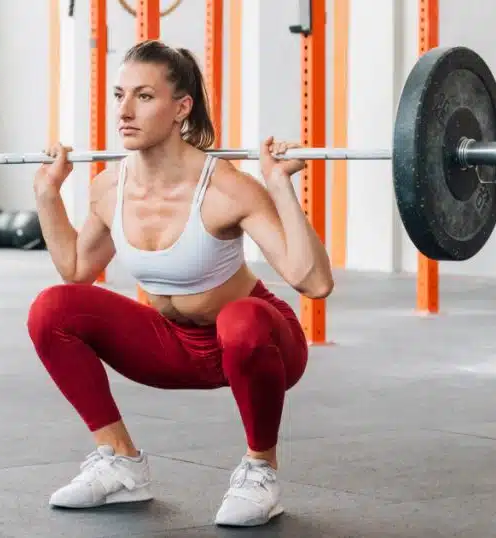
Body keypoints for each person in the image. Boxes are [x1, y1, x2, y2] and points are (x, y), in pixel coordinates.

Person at [26, 39, 333, 528]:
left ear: (181, 108)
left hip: (259, 343)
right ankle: (121, 461)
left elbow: (313, 282)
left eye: (144, 97)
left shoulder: (227, 186)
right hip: (173, 345)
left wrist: (280, 185)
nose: (124, 110)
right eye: (119, 95)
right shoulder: (109, 186)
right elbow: (77, 271)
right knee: (52, 309)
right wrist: (47, 195)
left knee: (242, 319)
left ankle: (261, 471)